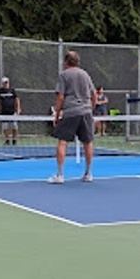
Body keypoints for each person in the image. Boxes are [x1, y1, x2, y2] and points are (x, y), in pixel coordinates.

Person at [48, 50, 97, 184]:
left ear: (66, 62)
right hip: (86, 112)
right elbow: (94, 95)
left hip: (70, 112)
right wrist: (90, 108)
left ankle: (60, 175)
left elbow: (61, 96)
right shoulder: (85, 74)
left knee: (62, 141)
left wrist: (57, 114)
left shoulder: (63, 75)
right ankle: (88, 173)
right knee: (88, 142)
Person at [0, 77, 21, 145]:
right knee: (5, 127)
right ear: (2, 84)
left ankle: (14, 140)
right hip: (4, 112)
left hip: (12, 111)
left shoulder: (12, 90)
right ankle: (7, 140)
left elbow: (17, 100)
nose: (6, 84)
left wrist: (18, 108)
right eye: (4, 83)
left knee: (14, 126)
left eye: (7, 82)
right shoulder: (0, 91)